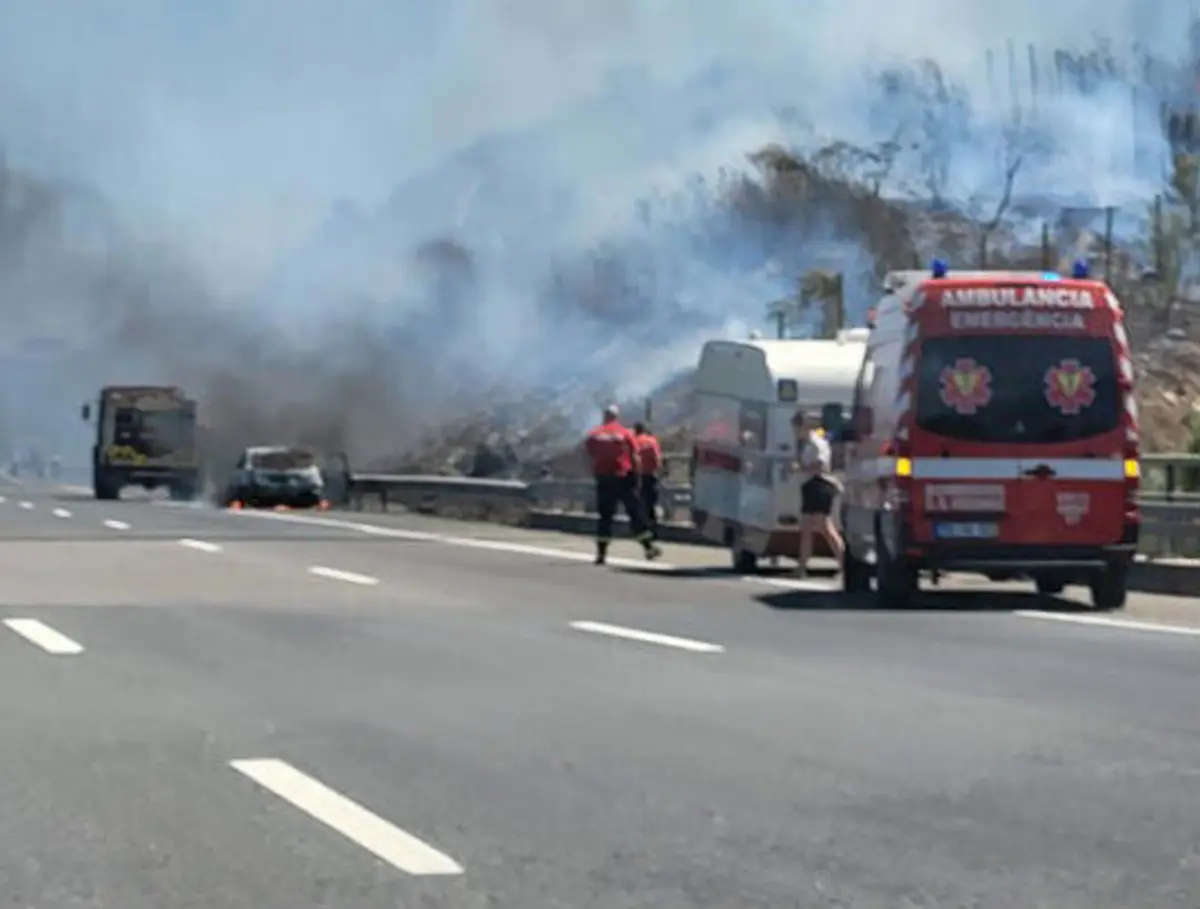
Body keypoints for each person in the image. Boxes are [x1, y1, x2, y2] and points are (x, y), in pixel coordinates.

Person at [584, 405, 663, 565]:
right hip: (624, 477)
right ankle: (648, 548)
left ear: (604, 416)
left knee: (605, 517)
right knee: (635, 515)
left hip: (604, 479)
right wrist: (637, 478)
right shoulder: (625, 433)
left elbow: (588, 456)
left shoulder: (594, 434)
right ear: (617, 417)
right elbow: (635, 456)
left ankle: (601, 554)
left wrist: (595, 474)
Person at [792, 409, 845, 578]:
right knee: (807, 527)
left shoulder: (817, 443)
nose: (794, 432)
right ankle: (802, 567)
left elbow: (821, 465)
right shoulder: (806, 444)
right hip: (810, 484)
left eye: (795, 428)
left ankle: (846, 565)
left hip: (821, 484)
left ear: (803, 427)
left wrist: (801, 468)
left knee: (825, 527)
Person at [632, 421, 662, 534]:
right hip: (651, 474)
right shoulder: (652, 441)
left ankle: (640, 527)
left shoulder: (634, 441)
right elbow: (657, 460)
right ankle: (653, 525)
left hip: (638, 475)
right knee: (651, 501)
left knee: (638, 501)